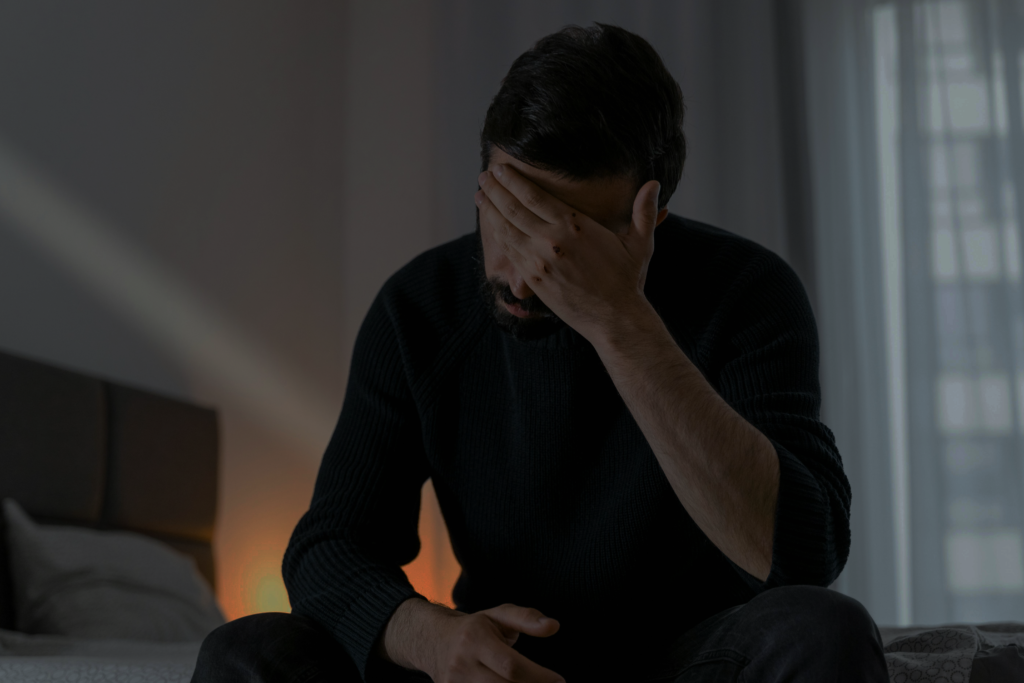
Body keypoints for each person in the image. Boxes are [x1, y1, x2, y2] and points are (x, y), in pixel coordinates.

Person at [193, 22, 888, 683]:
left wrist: (620, 320)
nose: (527, 277)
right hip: (500, 663)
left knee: (822, 629)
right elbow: (328, 548)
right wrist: (434, 638)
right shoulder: (417, 309)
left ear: (651, 215)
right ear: (482, 181)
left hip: (685, 662)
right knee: (248, 652)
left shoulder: (748, 292)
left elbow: (804, 556)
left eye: (571, 239)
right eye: (513, 215)